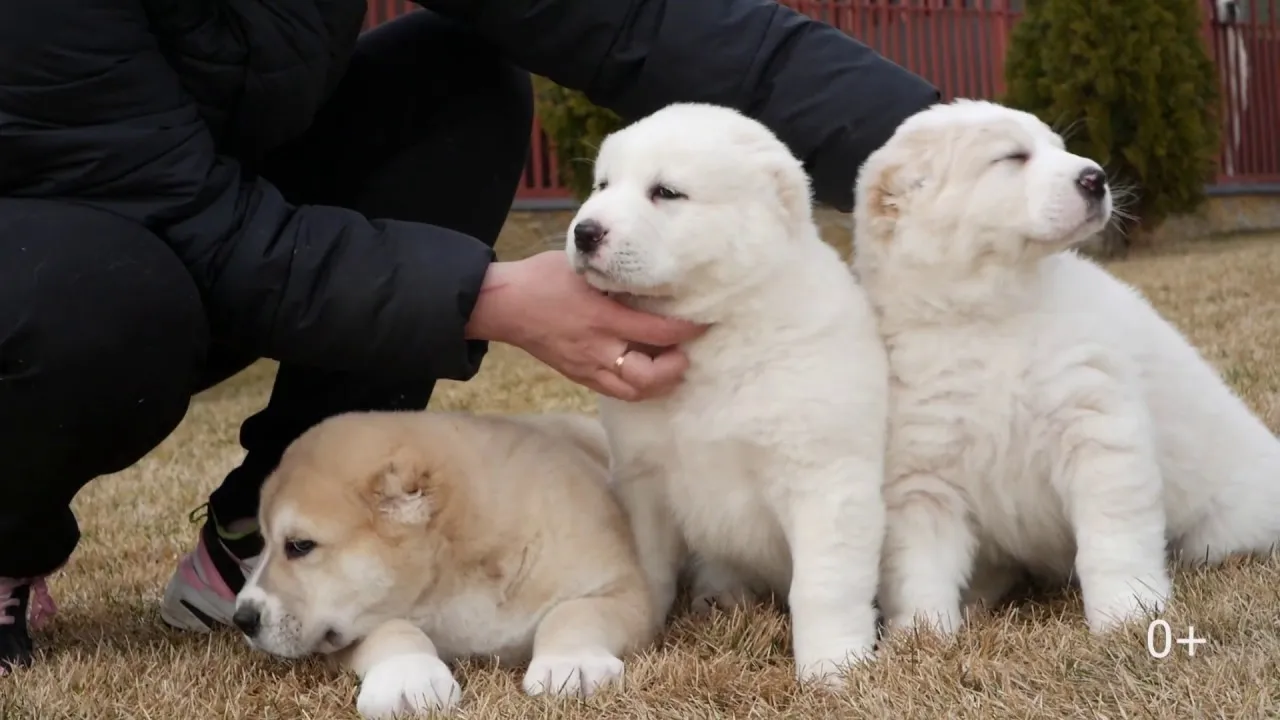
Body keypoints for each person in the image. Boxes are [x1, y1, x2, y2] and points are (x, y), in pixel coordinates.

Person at [0, 0, 938, 673]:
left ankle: (277, 518)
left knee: (455, 84)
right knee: (87, 301)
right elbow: (178, 212)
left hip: (215, 192)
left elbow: (642, 21)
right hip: (64, 233)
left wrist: (951, 158)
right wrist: (484, 297)